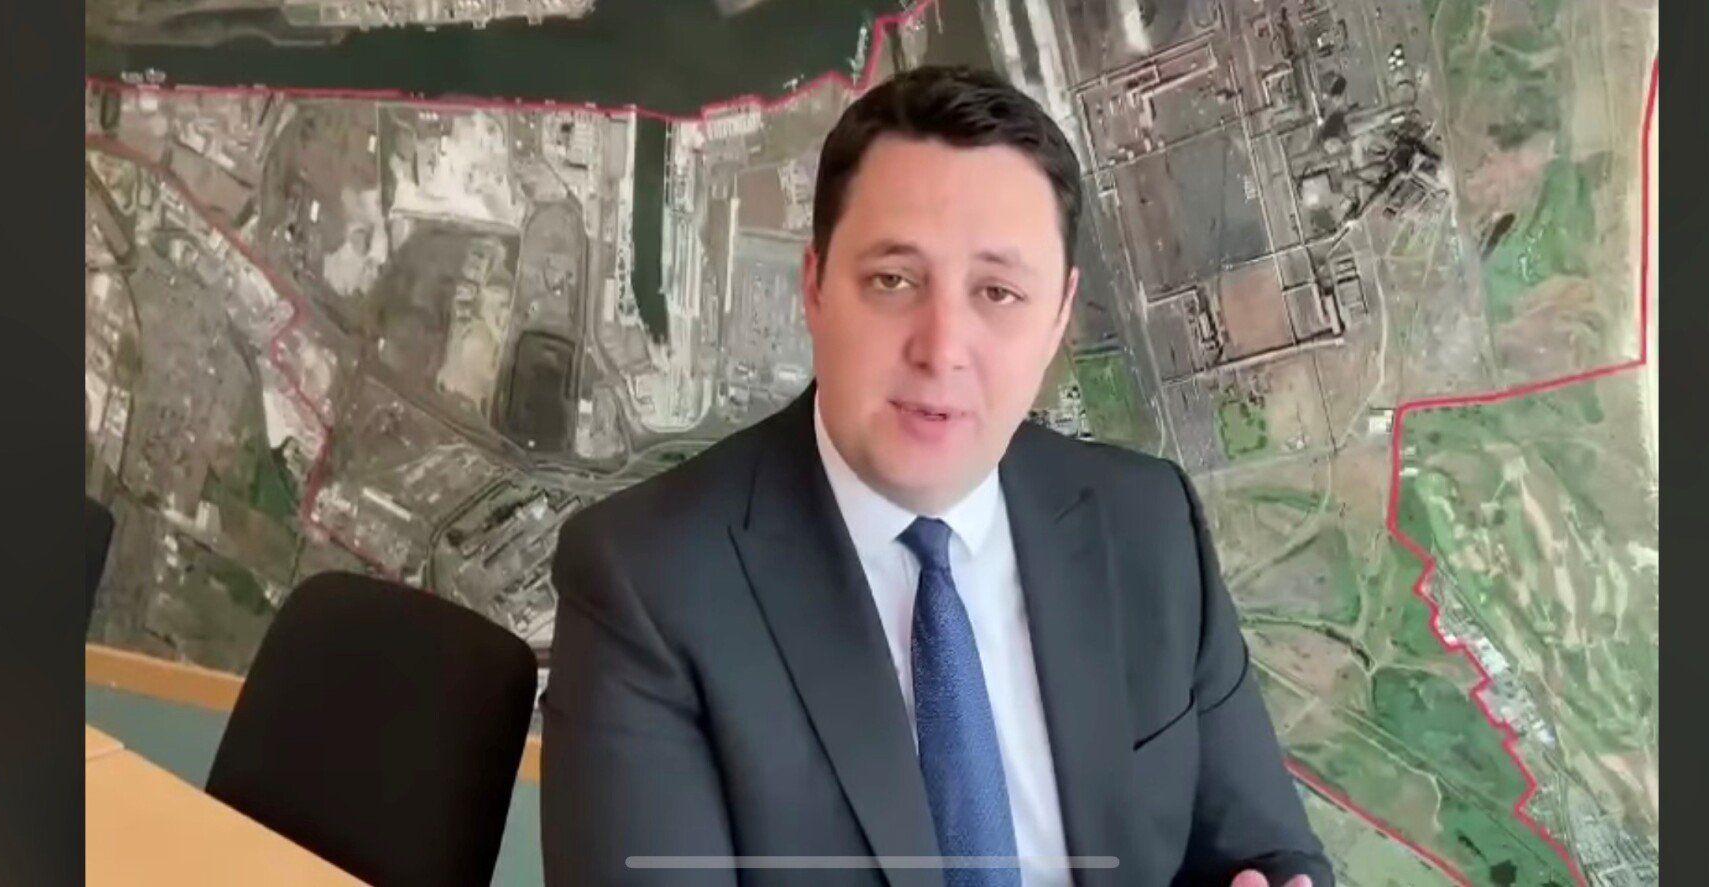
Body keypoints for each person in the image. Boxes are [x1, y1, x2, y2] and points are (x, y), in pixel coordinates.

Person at [539, 65, 1331, 887]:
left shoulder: (1148, 525)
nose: (942, 346)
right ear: (815, 286)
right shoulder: (646, 584)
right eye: (893, 280)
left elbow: (1268, 853)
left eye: (998, 292)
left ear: (1059, 317)